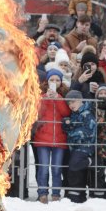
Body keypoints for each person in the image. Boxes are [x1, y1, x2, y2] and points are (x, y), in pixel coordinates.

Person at [32, 69, 69, 203]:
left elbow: (66, 112)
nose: (54, 82)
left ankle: (56, 194)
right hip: (42, 138)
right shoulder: (41, 95)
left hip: (59, 139)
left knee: (57, 168)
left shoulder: (63, 95)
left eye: (57, 80)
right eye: (51, 80)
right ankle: (42, 193)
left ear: (61, 82)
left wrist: (57, 98)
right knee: (43, 168)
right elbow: (37, 113)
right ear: (47, 82)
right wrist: (45, 98)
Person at [62, 89, 96, 203]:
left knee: (74, 165)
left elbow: (88, 131)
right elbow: (68, 130)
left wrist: (72, 132)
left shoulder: (87, 113)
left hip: (85, 147)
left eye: (73, 101)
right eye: (69, 103)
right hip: (75, 147)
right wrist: (66, 124)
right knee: (76, 171)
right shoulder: (74, 114)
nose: (71, 105)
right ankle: (77, 195)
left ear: (80, 99)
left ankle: (91, 161)